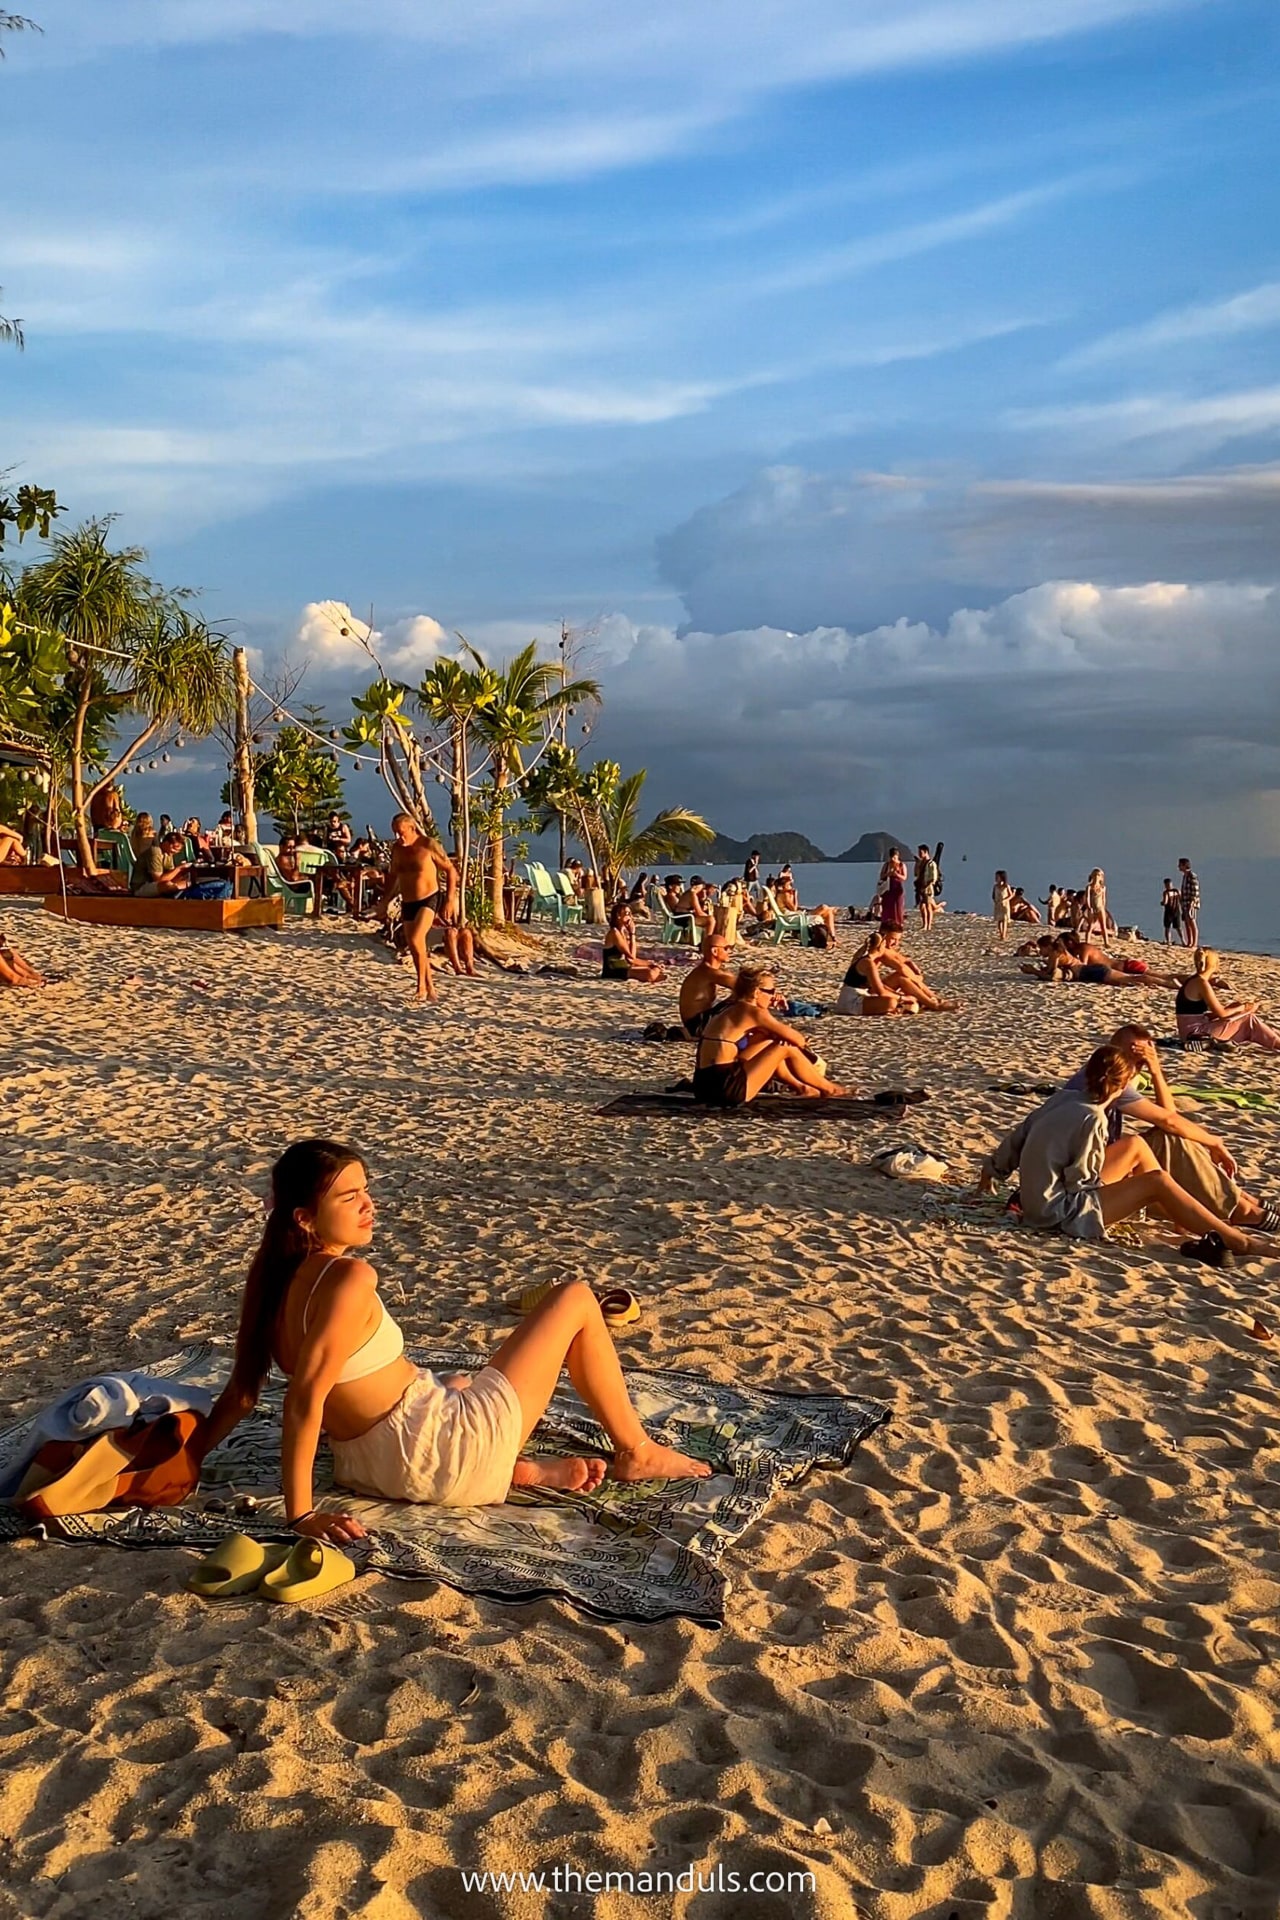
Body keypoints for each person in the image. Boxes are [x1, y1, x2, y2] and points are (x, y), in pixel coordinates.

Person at [197, 1141, 711, 1542]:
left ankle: (519, 1471)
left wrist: (188, 1458)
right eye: (348, 1196)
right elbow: (303, 1399)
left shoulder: (273, 1274)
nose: (368, 1205)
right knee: (575, 1298)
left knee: (459, 1380)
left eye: (366, 1189)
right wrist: (301, 1514)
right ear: (305, 1217)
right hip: (436, 1455)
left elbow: (244, 1392)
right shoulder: (350, 1278)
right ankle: (637, 1449)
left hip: (365, 1466)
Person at [979, 1045, 1270, 1255]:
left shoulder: (1063, 1098)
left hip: (1038, 1198)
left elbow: (1015, 1141)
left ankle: (1184, 1217)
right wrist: (1127, 1189)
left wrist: (990, 1175)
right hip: (1056, 1212)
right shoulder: (1093, 1117)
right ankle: (1239, 1241)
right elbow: (1079, 1180)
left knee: (1136, 1144)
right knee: (1157, 1181)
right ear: (1122, 1085)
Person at [1062, 1024, 1280, 1233]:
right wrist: (1215, 1141)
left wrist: (1156, 1072)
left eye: (1141, 1061)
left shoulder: (1112, 1075)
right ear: (1114, 1052)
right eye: (1133, 1057)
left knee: (1167, 1137)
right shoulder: (1106, 1079)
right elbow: (1169, 1120)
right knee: (1157, 1139)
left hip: (1093, 1165)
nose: (1136, 1066)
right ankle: (1237, 1209)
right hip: (1080, 1177)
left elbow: (1170, 1117)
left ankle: (1240, 1199)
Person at [694, 968, 848, 1105]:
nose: (774, 996)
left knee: (770, 1041)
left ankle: (803, 1088)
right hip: (725, 1089)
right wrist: (771, 1016)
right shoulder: (754, 1012)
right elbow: (798, 1039)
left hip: (703, 1085)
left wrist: (771, 1033)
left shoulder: (731, 1008)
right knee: (784, 1047)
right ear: (756, 992)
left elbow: (759, 1041)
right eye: (770, 991)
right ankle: (829, 1088)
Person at [374, 813, 467, 1003]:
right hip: (408, 901)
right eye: (395, 834)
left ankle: (421, 987)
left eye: (401, 833)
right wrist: (384, 901)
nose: (399, 837)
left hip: (429, 898)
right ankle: (430, 987)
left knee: (417, 939)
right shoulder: (397, 849)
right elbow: (392, 875)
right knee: (416, 947)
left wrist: (449, 899)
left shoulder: (428, 845)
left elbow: (451, 870)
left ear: (412, 829)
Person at [1175, 949, 1280, 1051]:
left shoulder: (1193, 980)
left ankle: (1275, 1037)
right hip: (1195, 1033)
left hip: (1191, 1030)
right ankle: (1277, 1044)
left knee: (1242, 1015)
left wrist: (1235, 1009)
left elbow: (1193, 1014)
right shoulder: (1201, 983)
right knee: (1248, 1019)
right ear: (1214, 964)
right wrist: (1245, 1007)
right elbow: (1222, 1014)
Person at [132, 831, 233, 901]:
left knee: (188, 883)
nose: (175, 852)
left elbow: (171, 875)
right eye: (174, 848)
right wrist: (179, 868)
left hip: (157, 884)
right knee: (167, 886)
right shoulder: (155, 852)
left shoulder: (168, 854)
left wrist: (185, 872)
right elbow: (159, 879)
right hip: (142, 886)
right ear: (166, 843)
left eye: (178, 850)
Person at [835, 932, 915, 1017]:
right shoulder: (868, 963)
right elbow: (881, 992)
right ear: (880, 946)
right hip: (852, 1002)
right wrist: (903, 998)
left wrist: (898, 995)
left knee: (895, 1000)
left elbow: (880, 986)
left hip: (848, 998)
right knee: (891, 1002)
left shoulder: (863, 958)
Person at [878, 930, 959, 1011]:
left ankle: (933, 999)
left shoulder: (887, 948)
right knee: (902, 978)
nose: (896, 943)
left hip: (878, 984)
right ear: (884, 937)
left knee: (908, 977)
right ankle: (934, 1003)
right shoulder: (880, 950)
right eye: (893, 939)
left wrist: (913, 968)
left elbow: (904, 961)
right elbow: (901, 967)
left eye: (898, 940)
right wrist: (917, 982)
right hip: (871, 988)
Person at [679, 933, 737, 1037]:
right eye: (726, 948)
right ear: (715, 951)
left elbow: (740, 981)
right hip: (696, 1026)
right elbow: (744, 987)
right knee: (743, 999)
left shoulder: (709, 971)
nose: (730, 951)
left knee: (740, 997)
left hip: (698, 1022)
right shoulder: (707, 973)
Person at [601, 901, 664, 984]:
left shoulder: (623, 932)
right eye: (627, 914)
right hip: (613, 970)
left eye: (630, 914)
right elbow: (631, 958)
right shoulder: (614, 932)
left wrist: (651, 964)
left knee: (654, 969)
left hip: (624, 966)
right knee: (650, 973)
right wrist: (632, 934)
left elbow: (632, 958)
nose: (630, 917)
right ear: (618, 916)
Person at [878, 850, 906, 936]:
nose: (893, 859)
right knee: (887, 906)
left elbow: (904, 877)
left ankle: (898, 923)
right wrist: (888, 874)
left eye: (894, 857)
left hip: (897, 887)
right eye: (892, 857)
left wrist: (896, 874)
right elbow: (881, 876)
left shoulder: (902, 865)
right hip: (888, 888)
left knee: (898, 906)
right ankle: (886, 924)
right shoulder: (886, 865)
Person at [914, 845, 938, 931]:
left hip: (927, 887)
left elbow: (933, 878)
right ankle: (924, 924)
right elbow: (916, 874)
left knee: (928, 906)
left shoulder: (931, 863)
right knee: (922, 906)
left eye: (921, 852)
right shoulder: (920, 863)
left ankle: (928, 925)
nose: (919, 854)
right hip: (920, 887)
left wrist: (927, 885)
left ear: (926, 852)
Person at [1179, 858, 1200, 948]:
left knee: (1192, 922)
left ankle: (1194, 943)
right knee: (1187, 922)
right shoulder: (1185, 876)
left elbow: (1195, 891)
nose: (1178, 867)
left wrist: (1192, 903)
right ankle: (1189, 942)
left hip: (1190, 903)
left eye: (1180, 865)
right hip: (1185, 902)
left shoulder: (1192, 876)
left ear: (1184, 865)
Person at [1161, 877, 1183, 945]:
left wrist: (1162, 903)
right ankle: (1180, 941)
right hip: (1173, 911)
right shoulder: (1174, 891)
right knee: (1174, 927)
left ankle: (1170, 941)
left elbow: (1165, 902)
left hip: (1172, 911)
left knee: (1170, 927)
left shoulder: (1169, 892)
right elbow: (1180, 899)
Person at [992, 870, 1013, 940]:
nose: (996, 878)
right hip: (998, 904)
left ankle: (1004, 934)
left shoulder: (1006, 886)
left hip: (1005, 904)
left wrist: (1005, 900)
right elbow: (993, 895)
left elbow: (1011, 895)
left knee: (1004, 920)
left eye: (997, 877)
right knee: (999, 920)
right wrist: (995, 901)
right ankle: (1001, 933)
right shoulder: (995, 886)